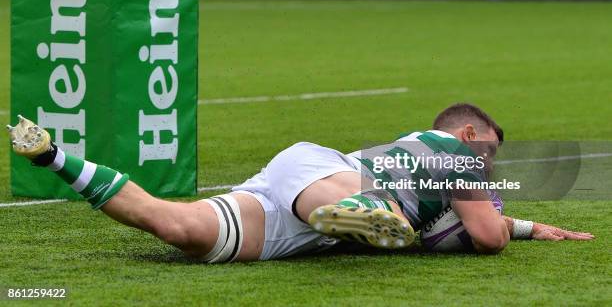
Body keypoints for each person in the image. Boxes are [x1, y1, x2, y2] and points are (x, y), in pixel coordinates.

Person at [6, 103, 594, 263]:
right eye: (491, 148)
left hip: (285, 205)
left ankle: (55, 156)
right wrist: (513, 223)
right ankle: (358, 214)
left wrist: (529, 224)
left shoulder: (423, 166)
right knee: (345, 206)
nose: (493, 163)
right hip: (324, 176)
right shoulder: (457, 156)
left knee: (174, 225)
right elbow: (484, 237)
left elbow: (450, 233)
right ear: (469, 134)